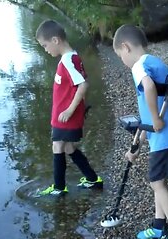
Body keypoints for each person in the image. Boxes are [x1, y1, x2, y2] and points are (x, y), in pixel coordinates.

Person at [112, 24, 168, 239]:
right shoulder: (158, 64)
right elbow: (155, 103)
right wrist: (138, 143)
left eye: (119, 56)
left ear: (125, 47)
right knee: (159, 181)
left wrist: (156, 119)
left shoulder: (140, 66)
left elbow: (148, 88)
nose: (122, 61)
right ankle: (159, 227)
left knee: (156, 183)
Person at [35, 19, 103, 196]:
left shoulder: (68, 60)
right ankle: (93, 179)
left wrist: (70, 110)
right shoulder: (69, 57)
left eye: (45, 45)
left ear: (55, 40)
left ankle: (59, 188)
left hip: (66, 117)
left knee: (57, 146)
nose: (46, 49)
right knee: (68, 148)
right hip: (64, 116)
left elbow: (83, 85)